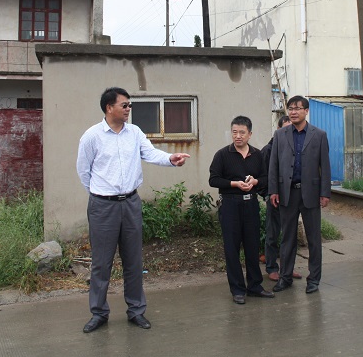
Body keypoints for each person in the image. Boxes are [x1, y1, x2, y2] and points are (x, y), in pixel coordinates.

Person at [76, 87, 190, 333]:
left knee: (133, 261)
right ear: (109, 108)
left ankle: (136, 311)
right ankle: (99, 313)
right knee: (101, 263)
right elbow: (83, 171)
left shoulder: (134, 132)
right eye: (124, 105)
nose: (129, 109)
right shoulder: (92, 136)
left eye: (130, 105)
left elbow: (149, 153)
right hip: (103, 207)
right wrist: (100, 194)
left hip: (130, 203)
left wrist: (170, 159)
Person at [269, 96, 331, 294]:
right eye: (290, 108)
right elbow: (274, 165)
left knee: (314, 239)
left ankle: (314, 279)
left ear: (306, 111)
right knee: (287, 238)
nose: (293, 112)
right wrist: (273, 190)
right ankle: (285, 277)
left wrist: (325, 192)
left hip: (311, 193)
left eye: (297, 108)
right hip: (287, 193)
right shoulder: (280, 135)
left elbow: (325, 166)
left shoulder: (319, 135)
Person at [209, 115, 274, 304]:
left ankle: (255, 286)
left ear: (250, 134)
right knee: (232, 248)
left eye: (242, 133)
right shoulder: (222, 154)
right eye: (235, 132)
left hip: (251, 204)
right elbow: (213, 179)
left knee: (252, 246)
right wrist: (235, 184)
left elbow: (265, 178)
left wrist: (255, 182)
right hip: (230, 205)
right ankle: (237, 289)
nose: (238, 136)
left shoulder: (257, 155)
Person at [261, 115, 303, 282]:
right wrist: (268, 194)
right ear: (278, 130)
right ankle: (271, 267)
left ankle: (287, 268)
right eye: (286, 128)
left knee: (289, 234)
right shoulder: (268, 149)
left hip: (291, 197)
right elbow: (263, 175)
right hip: (274, 198)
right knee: (273, 233)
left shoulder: (295, 148)